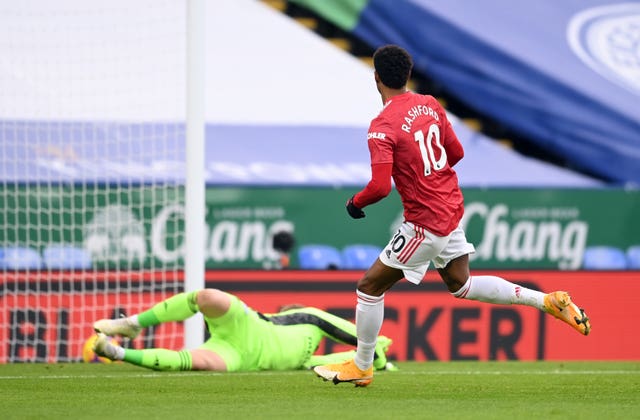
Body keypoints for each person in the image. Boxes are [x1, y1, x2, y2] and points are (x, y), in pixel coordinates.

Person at [313, 45, 591, 387]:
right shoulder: (429, 104)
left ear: (376, 79)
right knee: (462, 284)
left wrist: (355, 203)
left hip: (425, 221)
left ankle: (362, 365)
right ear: (408, 75)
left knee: (369, 287)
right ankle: (545, 300)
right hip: (449, 207)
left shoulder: (382, 126)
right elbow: (455, 153)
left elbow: (380, 187)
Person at [92, 288, 393, 372]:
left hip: (239, 357)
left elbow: (343, 360)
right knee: (207, 297)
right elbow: (359, 337)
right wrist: (377, 358)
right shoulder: (308, 317)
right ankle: (132, 324)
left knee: (193, 361)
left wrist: (377, 361)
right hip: (250, 328)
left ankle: (117, 352)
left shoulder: (308, 362)